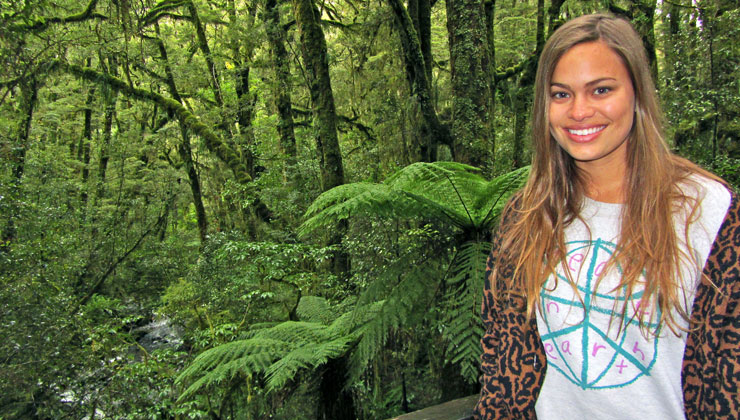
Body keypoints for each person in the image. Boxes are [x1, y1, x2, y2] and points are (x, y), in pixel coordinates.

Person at [474, 13, 739, 420]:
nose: (579, 111)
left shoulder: (707, 214)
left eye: (600, 90)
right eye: (561, 94)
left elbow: (726, 382)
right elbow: (504, 375)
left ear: (636, 93)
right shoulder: (526, 217)